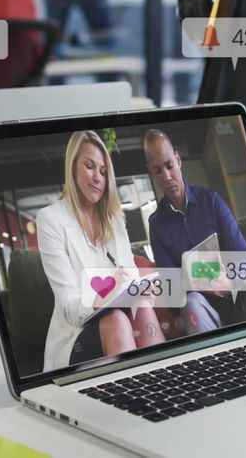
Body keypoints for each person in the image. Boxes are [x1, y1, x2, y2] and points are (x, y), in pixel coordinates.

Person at [36, 131, 164, 372]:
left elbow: (131, 279)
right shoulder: (50, 219)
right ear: (72, 166)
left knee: (143, 307)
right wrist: (107, 294)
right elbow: (69, 305)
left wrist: (141, 289)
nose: (97, 177)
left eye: (103, 172)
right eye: (89, 166)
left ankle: (162, 384)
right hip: (75, 333)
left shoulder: (115, 220)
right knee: (116, 320)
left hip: (120, 320)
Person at [143, 128, 246, 333]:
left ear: (178, 160)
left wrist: (229, 282)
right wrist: (197, 281)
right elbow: (171, 290)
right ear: (151, 172)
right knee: (192, 303)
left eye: (169, 165)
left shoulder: (211, 201)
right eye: (158, 170)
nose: (166, 177)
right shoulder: (157, 225)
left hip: (239, 297)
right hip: (202, 308)